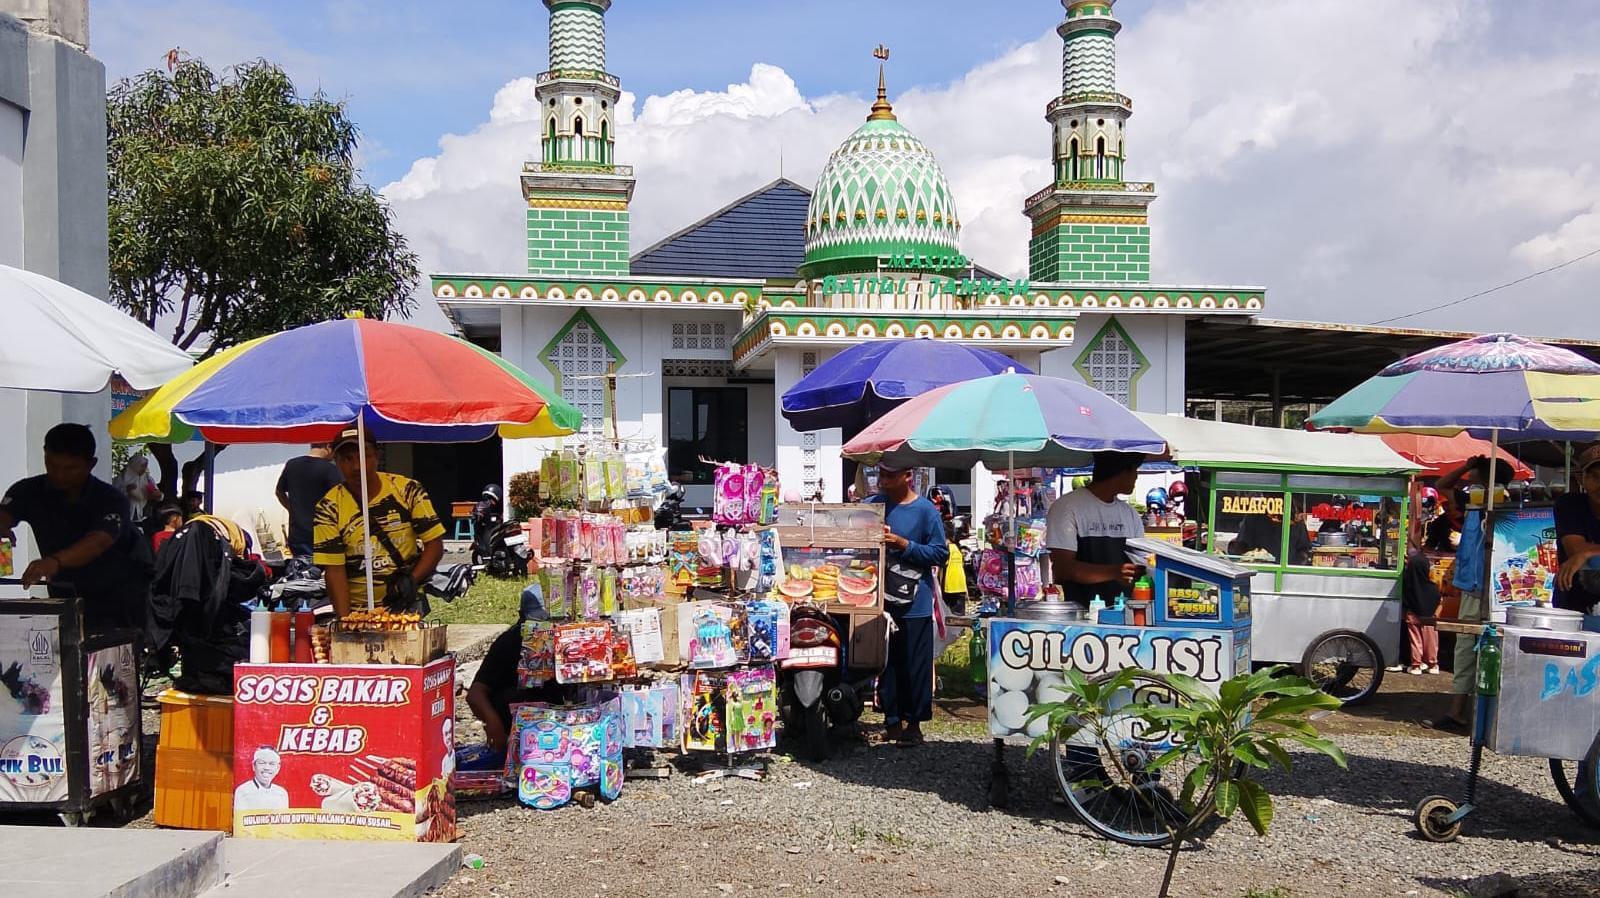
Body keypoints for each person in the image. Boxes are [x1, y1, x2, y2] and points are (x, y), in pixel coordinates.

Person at [0, 424, 153, 634]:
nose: (59, 475)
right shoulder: (28, 490)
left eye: (70, 468)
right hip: (66, 596)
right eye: (52, 465)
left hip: (119, 597)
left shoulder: (110, 499)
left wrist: (54, 562)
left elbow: (98, 541)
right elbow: (6, 514)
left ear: (91, 464)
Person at [311, 427, 445, 617]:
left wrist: (412, 580)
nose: (356, 466)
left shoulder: (407, 490)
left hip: (405, 605)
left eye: (364, 456)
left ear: (376, 456)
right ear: (337, 462)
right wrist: (346, 621)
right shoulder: (328, 507)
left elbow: (435, 544)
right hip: (359, 610)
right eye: (347, 459)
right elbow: (334, 570)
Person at [1427, 454, 1513, 734]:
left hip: (1493, 586)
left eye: (1475, 469)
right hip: (1476, 583)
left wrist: (1469, 466)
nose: (1469, 473)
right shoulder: (1473, 501)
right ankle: (1461, 712)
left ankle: (1477, 713)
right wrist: (1466, 465)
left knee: (1481, 648)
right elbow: (1443, 483)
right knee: (1468, 647)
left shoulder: (1503, 502)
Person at [866, 463, 947, 746]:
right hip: (878, 599)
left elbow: (940, 553)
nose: (883, 481)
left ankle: (914, 724)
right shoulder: (873, 506)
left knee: (915, 664)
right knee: (886, 663)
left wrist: (903, 543)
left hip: (916, 602)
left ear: (908, 476)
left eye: (890, 475)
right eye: (881, 475)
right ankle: (891, 721)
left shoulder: (926, 511)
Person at [1046, 451, 1146, 608]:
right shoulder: (1067, 507)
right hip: (1079, 615)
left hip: (1123, 614)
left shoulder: (1130, 513)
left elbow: (1142, 561)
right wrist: (1115, 572)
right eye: (1134, 470)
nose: (1136, 477)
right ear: (1121, 471)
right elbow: (1063, 568)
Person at [467, 590, 560, 758]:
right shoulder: (509, 642)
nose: (540, 632)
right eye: (535, 623)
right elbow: (475, 694)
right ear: (521, 618)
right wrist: (494, 725)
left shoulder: (562, 639)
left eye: (547, 622)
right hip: (515, 722)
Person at [1554, 444, 1600, 614]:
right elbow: (1575, 549)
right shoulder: (1570, 504)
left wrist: (1588, 553)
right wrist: (1583, 552)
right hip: (1572, 605)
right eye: (1595, 477)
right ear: (1581, 479)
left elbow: (1582, 551)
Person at [275, 443, 342, 558]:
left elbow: (279, 492)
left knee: (303, 571)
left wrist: (292, 510)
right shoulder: (330, 469)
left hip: (297, 533)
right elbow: (342, 498)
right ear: (328, 447)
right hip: (324, 532)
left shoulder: (292, 465)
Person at [233, 746, 290, 811]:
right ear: (253, 766)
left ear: (278, 768)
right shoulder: (243, 791)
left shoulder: (282, 793)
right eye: (262, 763)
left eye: (272, 764)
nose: (267, 768)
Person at [113, 454, 161, 522]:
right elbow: (113, 495)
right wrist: (126, 490)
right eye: (142, 466)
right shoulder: (120, 479)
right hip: (122, 515)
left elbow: (159, 496)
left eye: (145, 466)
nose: (144, 469)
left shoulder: (148, 479)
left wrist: (156, 495)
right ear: (135, 465)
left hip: (143, 514)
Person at [943, 518, 968, 615]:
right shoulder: (956, 548)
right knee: (959, 614)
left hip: (950, 587)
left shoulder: (946, 549)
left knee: (952, 615)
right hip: (960, 585)